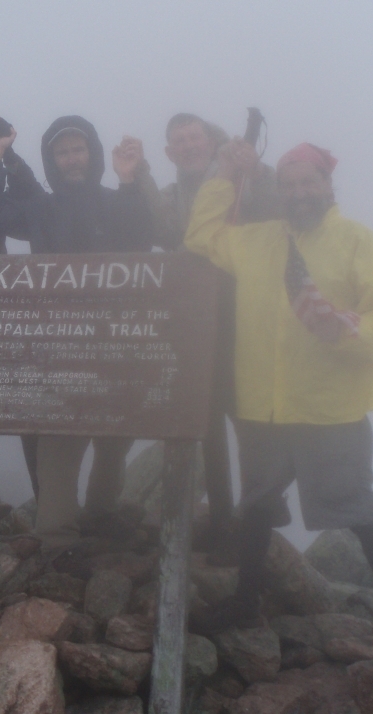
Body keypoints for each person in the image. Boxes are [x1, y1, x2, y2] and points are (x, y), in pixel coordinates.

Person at [184, 138, 373, 671]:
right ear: (279, 190)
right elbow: (200, 234)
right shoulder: (259, 241)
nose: (299, 193)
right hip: (263, 408)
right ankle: (247, 605)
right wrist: (224, 170)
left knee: (359, 510)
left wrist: (345, 329)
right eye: (289, 184)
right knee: (257, 508)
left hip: (329, 410)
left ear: (327, 185)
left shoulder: (359, 241)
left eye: (308, 182)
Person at [0, 115, 153, 551]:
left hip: (114, 351)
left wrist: (130, 180)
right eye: (62, 151)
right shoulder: (41, 208)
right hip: (56, 354)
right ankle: (57, 543)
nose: (72, 158)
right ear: (52, 160)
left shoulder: (115, 200)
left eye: (78, 149)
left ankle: (100, 514)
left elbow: (140, 238)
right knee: (55, 464)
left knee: (115, 442)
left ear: (92, 153)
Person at [147, 113, 280, 562]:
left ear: (208, 141)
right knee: (206, 423)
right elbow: (166, 232)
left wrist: (256, 171)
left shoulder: (244, 179)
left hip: (244, 314)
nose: (187, 146)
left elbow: (277, 207)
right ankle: (224, 521)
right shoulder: (170, 195)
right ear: (170, 153)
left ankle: (256, 512)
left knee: (248, 416)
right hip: (195, 319)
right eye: (178, 141)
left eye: (193, 137)